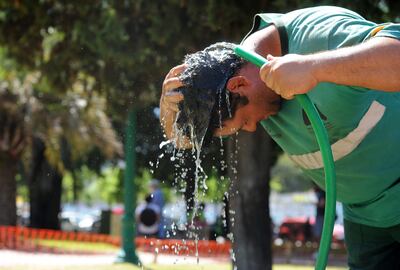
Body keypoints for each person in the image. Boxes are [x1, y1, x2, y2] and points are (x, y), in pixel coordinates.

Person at [160, 6, 400, 270]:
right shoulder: (245, 83)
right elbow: (182, 142)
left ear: (239, 85)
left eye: (244, 121)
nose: (252, 129)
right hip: (366, 219)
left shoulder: (314, 34)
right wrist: (170, 111)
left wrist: (315, 68)